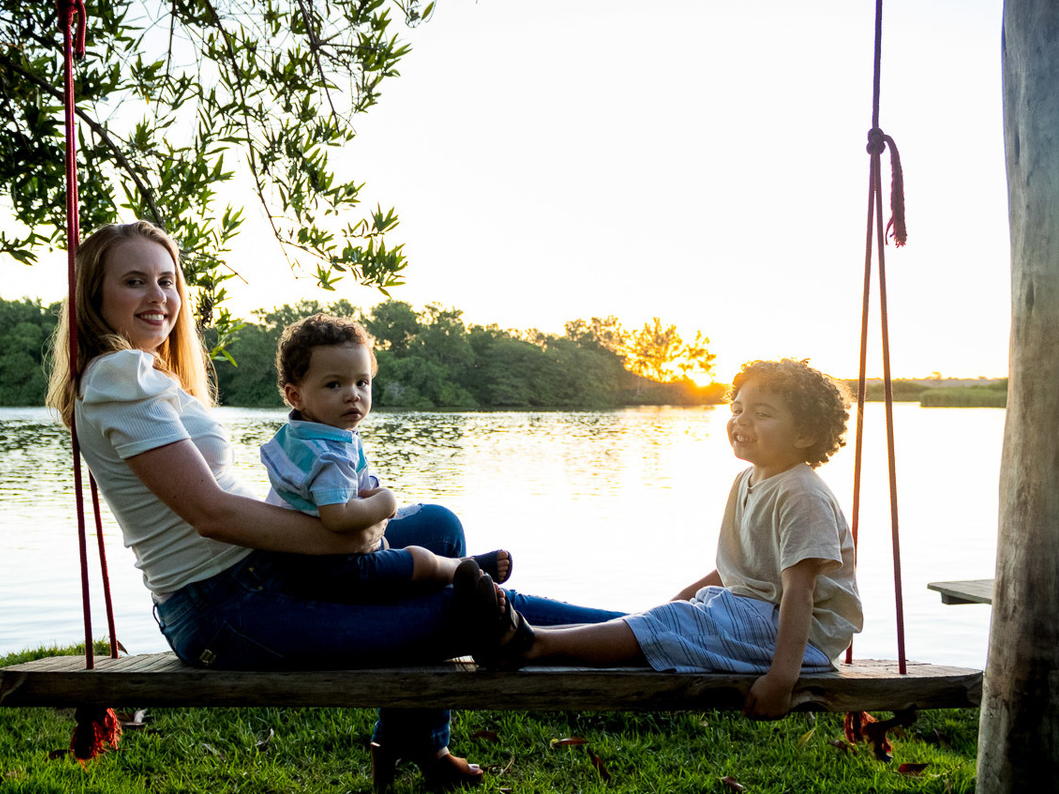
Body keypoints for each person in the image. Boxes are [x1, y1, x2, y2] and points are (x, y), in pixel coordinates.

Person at [45, 221, 624, 791]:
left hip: (256, 572)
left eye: (167, 280)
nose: (158, 296)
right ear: (94, 298)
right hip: (224, 606)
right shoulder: (119, 379)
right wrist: (341, 536)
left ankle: (417, 742)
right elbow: (211, 515)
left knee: (440, 529)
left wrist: (349, 522)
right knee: (469, 607)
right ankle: (644, 633)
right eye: (135, 281)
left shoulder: (146, 375)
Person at [456, 358, 864, 720]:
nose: (741, 421)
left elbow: (800, 593)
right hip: (756, 617)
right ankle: (516, 635)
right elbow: (731, 572)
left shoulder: (801, 494)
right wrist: (675, 601)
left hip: (803, 640)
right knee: (667, 618)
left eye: (762, 413)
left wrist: (780, 680)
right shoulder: (748, 480)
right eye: (737, 408)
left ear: (805, 435)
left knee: (673, 624)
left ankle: (528, 644)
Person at [259, 312, 512, 598]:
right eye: (334, 384)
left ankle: (462, 577)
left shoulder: (302, 434)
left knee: (420, 541)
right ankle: (464, 570)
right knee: (418, 559)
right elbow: (338, 518)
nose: (352, 394)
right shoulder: (327, 456)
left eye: (362, 383)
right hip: (328, 569)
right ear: (296, 396)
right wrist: (386, 501)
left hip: (298, 559)